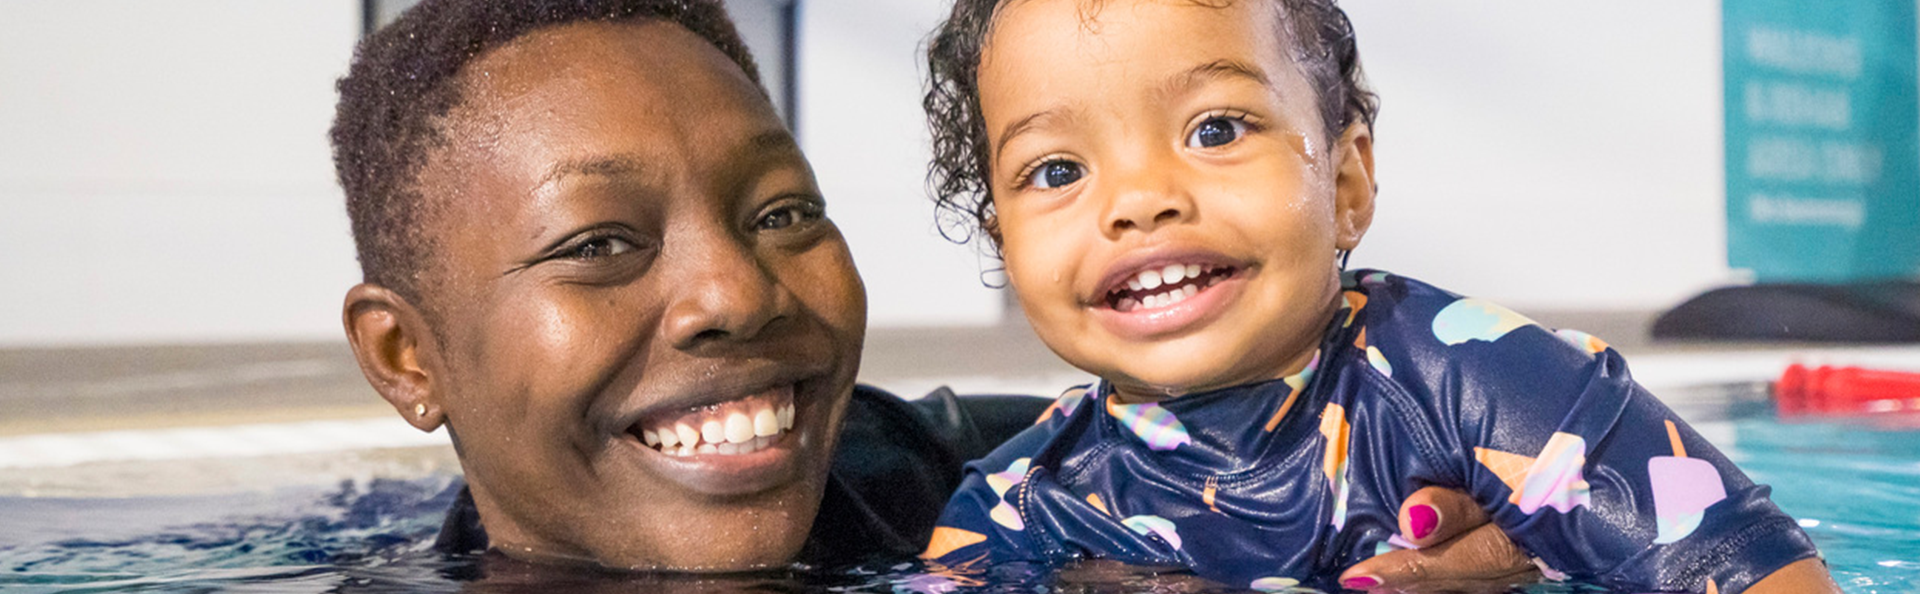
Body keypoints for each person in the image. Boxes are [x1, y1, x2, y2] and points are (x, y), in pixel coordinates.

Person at [332, 0, 1545, 585]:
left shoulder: (935, 483)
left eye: (784, 214)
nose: (734, 292)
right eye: (600, 243)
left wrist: (1487, 508)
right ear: (406, 358)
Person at [916, 0, 1839, 592]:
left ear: (1347, 182)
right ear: (1005, 240)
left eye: (1217, 127)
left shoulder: (1478, 383)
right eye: (1058, 168)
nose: (1138, 201)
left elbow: (1749, 569)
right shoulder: (1014, 506)